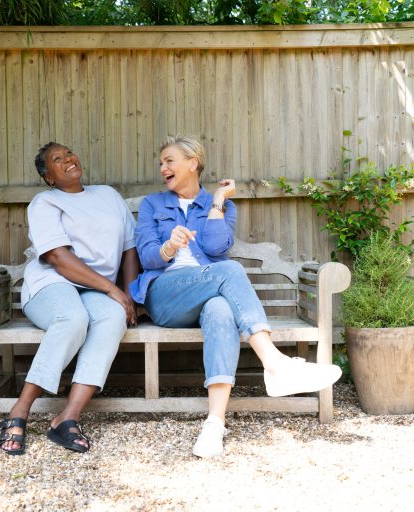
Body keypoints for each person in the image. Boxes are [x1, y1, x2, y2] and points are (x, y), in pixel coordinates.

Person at [129, 135, 341, 458]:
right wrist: (168, 246)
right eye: (161, 163)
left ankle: (214, 425)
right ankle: (274, 362)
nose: (163, 168)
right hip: (165, 295)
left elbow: (215, 248)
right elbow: (146, 258)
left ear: (192, 163)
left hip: (207, 294)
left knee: (219, 310)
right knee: (229, 271)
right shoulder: (153, 206)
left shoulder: (223, 207)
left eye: (169, 161)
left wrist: (216, 200)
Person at [0, 142, 139, 455]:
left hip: (94, 288)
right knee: (73, 318)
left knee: (112, 317)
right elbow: (58, 257)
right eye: (57, 160)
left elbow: (130, 248)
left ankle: (67, 417)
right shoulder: (44, 203)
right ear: (49, 177)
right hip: (51, 283)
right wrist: (112, 289)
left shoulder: (108, 195)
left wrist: (129, 298)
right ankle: (20, 410)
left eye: (69, 153)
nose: (68, 160)